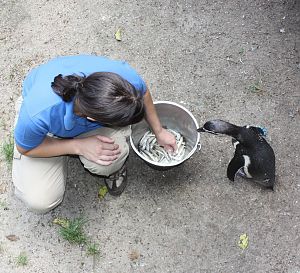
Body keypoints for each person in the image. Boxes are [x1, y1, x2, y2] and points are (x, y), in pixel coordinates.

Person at [12, 55, 177, 214]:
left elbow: (143, 93)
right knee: (40, 200)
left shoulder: (123, 82)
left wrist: (159, 131)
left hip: (80, 117)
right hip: (44, 133)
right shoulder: (37, 114)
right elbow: (26, 148)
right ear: (92, 119)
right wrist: (77, 146)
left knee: (110, 159)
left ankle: (75, 153)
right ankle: (59, 150)